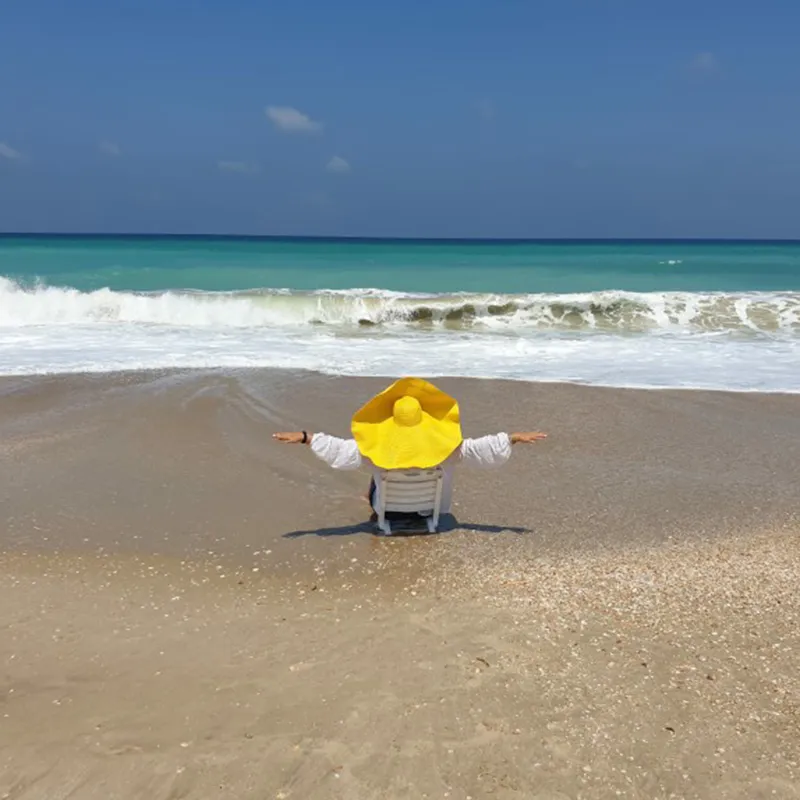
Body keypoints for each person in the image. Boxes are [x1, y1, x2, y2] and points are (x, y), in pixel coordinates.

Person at [273, 377, 547, 519]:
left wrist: (306, 436)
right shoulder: (450, 449)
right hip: (431, 508)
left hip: (388, 509)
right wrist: (513, 437)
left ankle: (372, 500)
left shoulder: (372, 452)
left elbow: (341, 451)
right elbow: (481, 449)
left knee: (374, 471)